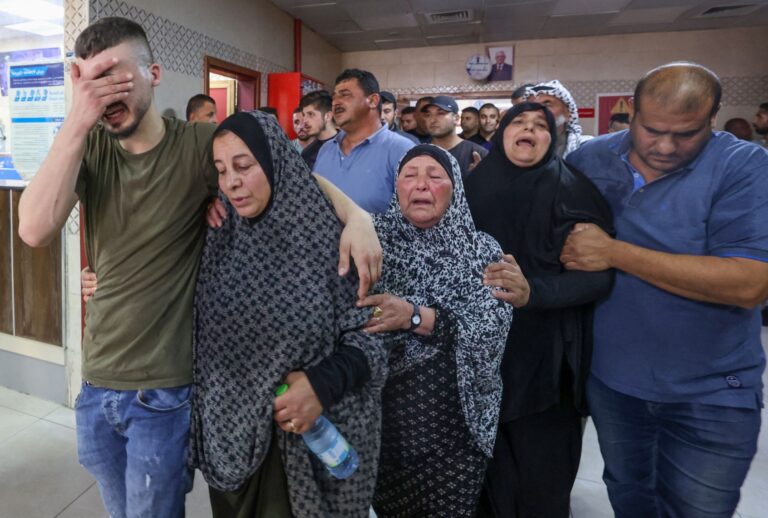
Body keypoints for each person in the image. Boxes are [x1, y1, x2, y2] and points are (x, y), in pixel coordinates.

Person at [23, 17, 382, 518]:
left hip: (163, 390)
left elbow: (275, 165)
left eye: (116, 76)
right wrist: (76, 120)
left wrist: (356, 215)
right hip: (97, 381)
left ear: (153, 72)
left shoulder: (195, 146)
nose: (104, 92)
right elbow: (34, 230)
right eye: (92, 80)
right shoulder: (89, 147)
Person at [563, 62, 768, 518]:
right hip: (614, 382)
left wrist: (616, 253)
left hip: (711, 389)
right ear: (631, 112)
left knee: (697, 508)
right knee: (630, 497)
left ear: (712, 119)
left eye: (686, 134)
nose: (665, 146)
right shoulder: (589, 160)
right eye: (653, 130)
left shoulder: (744, 166)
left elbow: (749, 283)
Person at [190, 111, 388, 518]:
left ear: (275, 161)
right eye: (222, 170)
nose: (232, 182)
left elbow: (372, 337)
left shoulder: (328, 237)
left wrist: (320, 384)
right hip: (229, 441)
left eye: (244, 166)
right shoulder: (219, 232)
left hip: (303, 447)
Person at [465, 102, 615, 518]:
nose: (529, 129)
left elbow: (598, 278)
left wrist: (535, 291)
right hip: (479, 359)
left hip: (545, 362)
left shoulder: (571, 189)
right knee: (485, 480)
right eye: (519, 122)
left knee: (539, 482)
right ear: (501, 133)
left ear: (554, 138)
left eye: (540, 125)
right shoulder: (473, 186)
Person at [358, 144, 512, 517]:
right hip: (383, 423)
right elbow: (352, 316)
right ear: (396, 188)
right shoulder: (371, 243)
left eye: (435, 176)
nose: (421, 185)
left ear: (455, 188)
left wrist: (413, 316)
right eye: (409, 176)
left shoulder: (481, 250)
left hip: (455, 427)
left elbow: (490, 330)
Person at [313, 69, 414, 214]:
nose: (336, 102)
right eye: (334, 97)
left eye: (345, 95)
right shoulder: (326, 149)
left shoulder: (401, 149)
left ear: (373, 101)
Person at [423, 95, 486, 179]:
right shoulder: (419, 152)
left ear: (456, 119)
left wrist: (481, 179)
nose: (433, 120)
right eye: (428, 115)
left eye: (440, 113)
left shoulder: (476, 153)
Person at [527, 79, 592, 158]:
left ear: (568, 113)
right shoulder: (519, 146)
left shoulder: (587, 147)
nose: (538, 111)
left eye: (547, 105)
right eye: (532, 106)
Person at [299, 90, 337, 170]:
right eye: (304, 115)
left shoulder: (346, 146)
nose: (304, 120)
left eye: (311, 114)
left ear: (328, 116)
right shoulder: (307, 153)